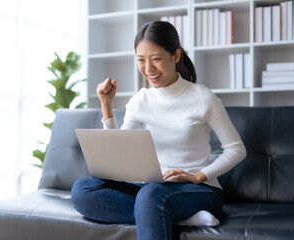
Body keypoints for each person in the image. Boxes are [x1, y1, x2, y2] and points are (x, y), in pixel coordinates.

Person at [71, 21, 246, 240]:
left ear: (175, 56)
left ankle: (158, 210)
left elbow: (236, 149)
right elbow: (121, 152)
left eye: (155, 59)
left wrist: (198, 176)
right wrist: (106, 106)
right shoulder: (139, 101)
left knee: (150, 196)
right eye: (141, 60)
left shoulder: (202, 97)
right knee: (83, 190)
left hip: (198, 190)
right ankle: (172, 216)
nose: (148, 69)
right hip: (150, 188)